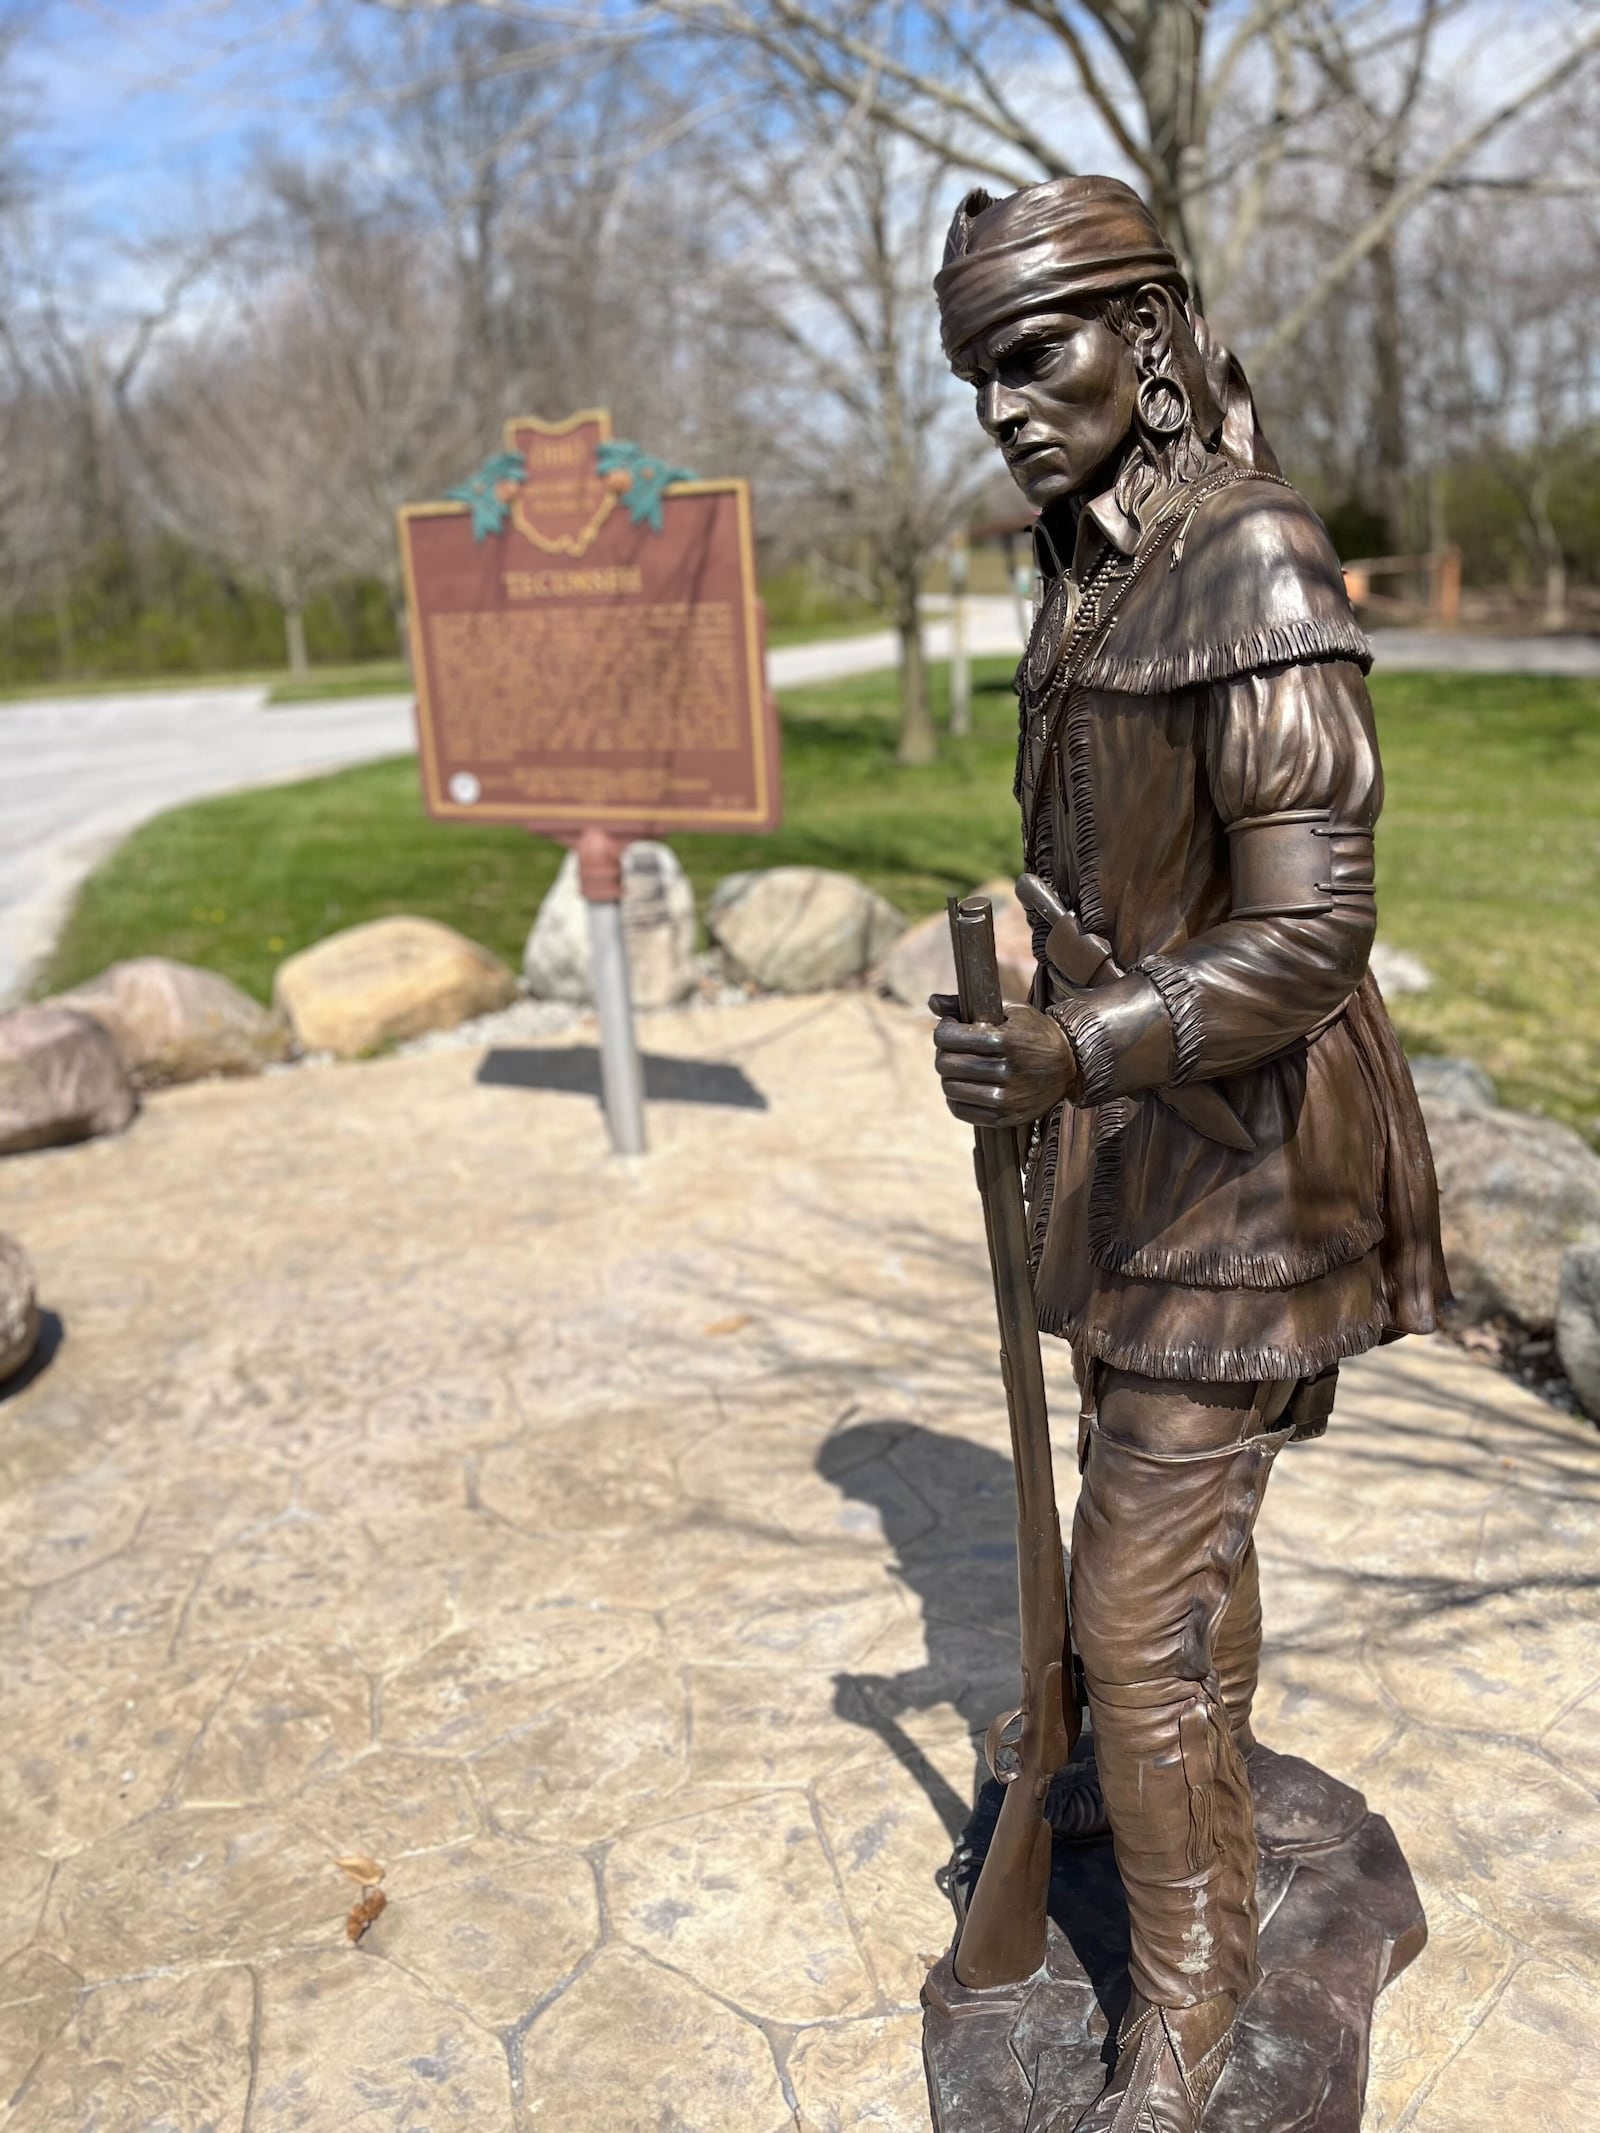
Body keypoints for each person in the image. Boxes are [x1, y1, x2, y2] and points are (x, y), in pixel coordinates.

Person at [930, 175, 1447, 2133]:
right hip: (1119, 1153)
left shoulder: (1248, 559)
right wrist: (1016, 999)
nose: (998, 401)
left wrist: (1076, 1039)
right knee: (1173, 1586)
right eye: (976, 368)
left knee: (1132, 1612)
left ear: (1146, 338)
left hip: (1245, 1155)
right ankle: (1187, 1870)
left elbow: (1310, 932)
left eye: (1032, 352)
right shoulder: (1075, 573)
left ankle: (1188, 2003)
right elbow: (1104, 864)